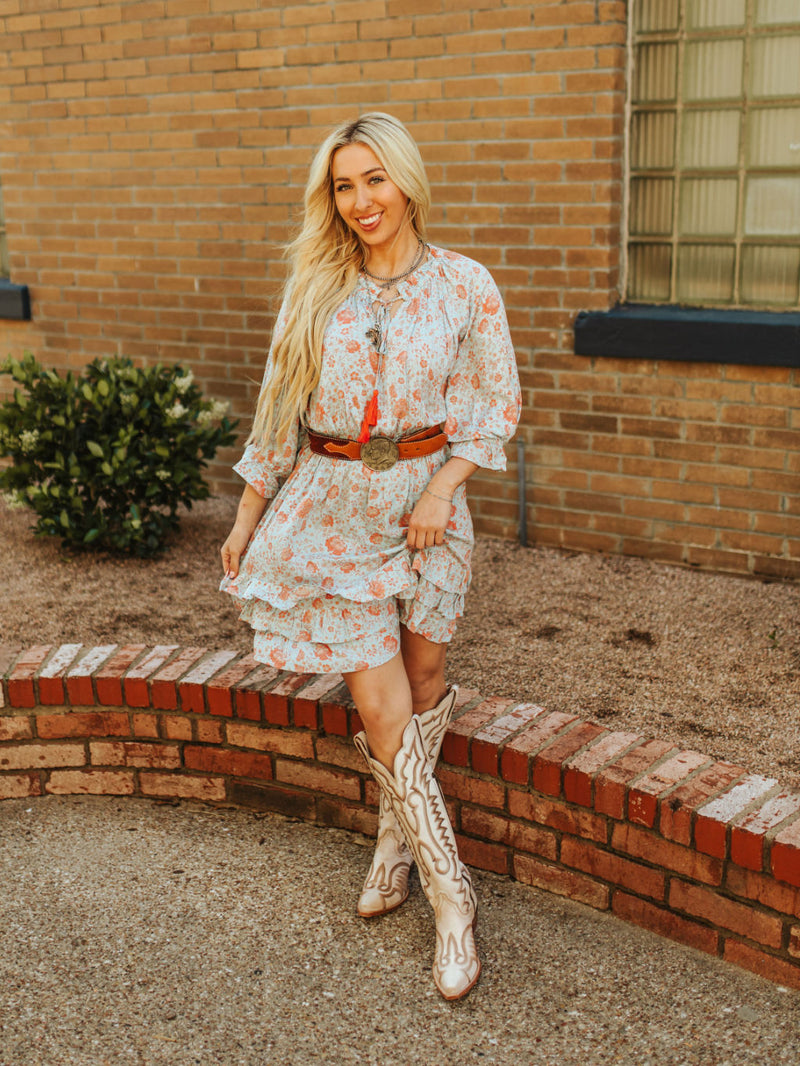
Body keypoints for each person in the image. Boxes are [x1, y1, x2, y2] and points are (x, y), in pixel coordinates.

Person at [220, 112, 520, 1001]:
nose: (360, 202)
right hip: (332, 513)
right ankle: (453, 902)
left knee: (424, 687)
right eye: (344, 186)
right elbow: (278, 415)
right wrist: (245, 518)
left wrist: (443, 488)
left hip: (429, 509)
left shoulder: (466, 286)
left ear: (408, 182)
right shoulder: (316, 287)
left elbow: (494, 406)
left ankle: (394, 842)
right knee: (385, 709)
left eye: (374, 181)